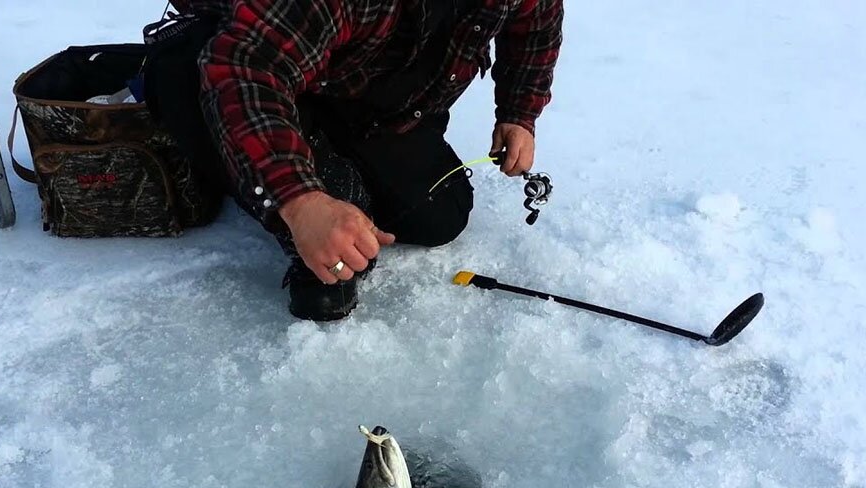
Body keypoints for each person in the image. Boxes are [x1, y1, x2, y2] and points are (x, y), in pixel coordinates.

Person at [144, 0, 563, 321]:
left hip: (364, 86)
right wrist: (302, 201)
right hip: (248, 54)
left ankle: (318, 150)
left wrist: (518, 113)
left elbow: (537, 19)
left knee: (438, 215)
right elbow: (244, 67)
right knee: (330, 266)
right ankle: (191, 88)